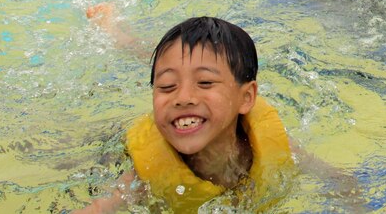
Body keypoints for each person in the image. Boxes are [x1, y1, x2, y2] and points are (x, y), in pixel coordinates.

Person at [75, 15, 358, 213]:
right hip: (106, 145)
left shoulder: (275, 143)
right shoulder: (141, 176)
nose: (183, 97)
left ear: (246, 98)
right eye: (166, 86)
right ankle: (115, 32)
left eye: (206, 83)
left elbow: (343, 183)